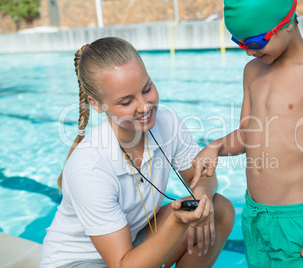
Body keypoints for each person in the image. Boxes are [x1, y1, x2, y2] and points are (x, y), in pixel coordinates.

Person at [40, 37, 235, 268]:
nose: (145, 106)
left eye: (147, 88)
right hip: (81, 262)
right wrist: (177, 222)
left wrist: (202, 192)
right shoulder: (89, 167)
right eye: (126, 102)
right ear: (96, 104)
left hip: (132, 244)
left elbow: (202, 174)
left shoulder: (167, 123)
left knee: (219, 209)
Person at [191, 0, 303, 267]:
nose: (249, 52)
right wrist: (215, 146)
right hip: (254, 215)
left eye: (256, 43)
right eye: (240, 44)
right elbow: (247, 134)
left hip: (296, 222)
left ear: (285, 23)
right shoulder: (252, 72)